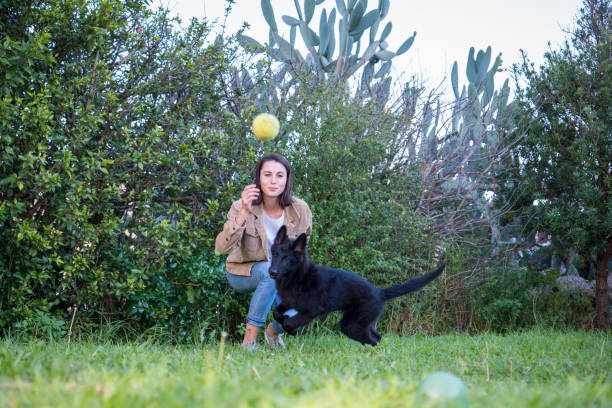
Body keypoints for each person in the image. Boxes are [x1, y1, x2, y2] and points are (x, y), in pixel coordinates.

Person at [215, 153, 312, 350]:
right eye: (267, 175)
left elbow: (301, 249)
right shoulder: (240, 206)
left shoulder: (300, 209)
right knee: (270, 272)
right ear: (258, 178)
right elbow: (221, 248)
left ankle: (273, 333)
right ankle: (248, 342)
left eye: (279, 175)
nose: (273, 181)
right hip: (242, 272)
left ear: (287, 179)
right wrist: (243, 211)